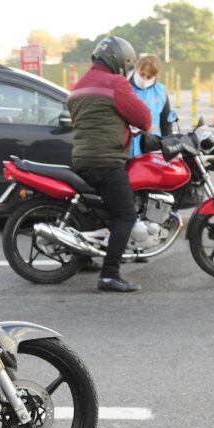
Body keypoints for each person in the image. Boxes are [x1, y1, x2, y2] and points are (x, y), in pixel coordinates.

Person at [67, 36, 152, 293]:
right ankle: (109, 275)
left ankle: (83, 258)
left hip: (82, 158)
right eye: (127, 63)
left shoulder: (79, 85)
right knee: (126, 214)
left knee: (98, 212)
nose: (127, 70)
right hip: (106, 160)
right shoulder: (115, 84)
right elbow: (144, 118)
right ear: (117, 60)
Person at [130, 54, 174, 157]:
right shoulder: (124, 87)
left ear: (156, 75)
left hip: (152, 147)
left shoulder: (161, 91)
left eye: (149, 76)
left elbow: (166, 123)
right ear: (136, 69)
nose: (144, 78)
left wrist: (168, 147)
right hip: (128, 148)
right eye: (142, 74)